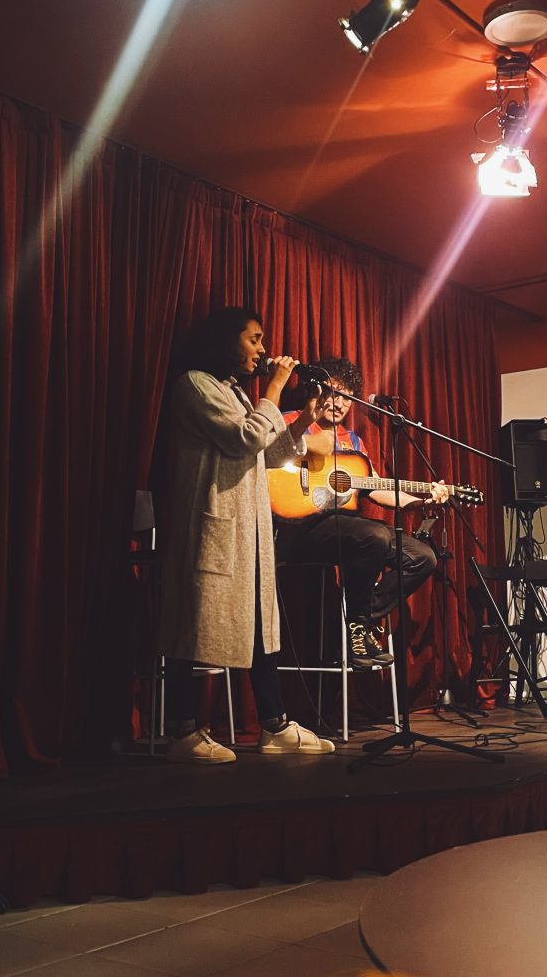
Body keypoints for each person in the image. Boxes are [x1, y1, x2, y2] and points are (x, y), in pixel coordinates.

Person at [157, 307, 335, 764]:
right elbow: (242, 439)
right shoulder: (195, 385)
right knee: (193, 624)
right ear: (224, 340)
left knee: (260, 626)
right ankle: (181, 730)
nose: (261, 349)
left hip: (251, 528)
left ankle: (274, 724)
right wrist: (275, 390)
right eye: (253, 339)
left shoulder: (235, 391)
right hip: (212, 525)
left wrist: (300, 421)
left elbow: (269, 451)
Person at [275, 357, 448, 668]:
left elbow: (375, 487)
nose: (339, 403)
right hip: (295, 528)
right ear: (315, 392)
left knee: (423, 557)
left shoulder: (354, 442)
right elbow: (268, 458)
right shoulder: (289, 419)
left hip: (346, 530)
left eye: (346, 397)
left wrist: (422, 501)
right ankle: (358, 624)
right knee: (375, 534)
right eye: (332, 393)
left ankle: (361, 620)